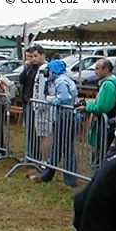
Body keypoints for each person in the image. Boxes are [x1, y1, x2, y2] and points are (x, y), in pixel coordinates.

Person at [28, 59, 79, 187]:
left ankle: (68, 179)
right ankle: (50, 175)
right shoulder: (61, 79)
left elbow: (65, 98)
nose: (47, 73)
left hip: (66, 117)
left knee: (65, 149)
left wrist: (49, 99)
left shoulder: (60, 81)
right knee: (61, 148)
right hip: (64, 116)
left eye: (49, 70)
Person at [76, 58, 116, 169]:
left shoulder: (108, 85)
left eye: (97, 69)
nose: (95, 72)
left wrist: (88, 107)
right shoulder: (114, 81)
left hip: (106, 124)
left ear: (106, 70)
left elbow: (103, 106)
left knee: (100, 153)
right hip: (108, 123)